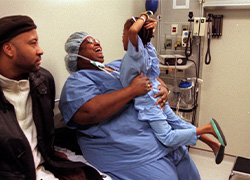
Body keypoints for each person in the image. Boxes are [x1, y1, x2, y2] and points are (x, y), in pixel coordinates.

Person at [59, 26, 200, 180]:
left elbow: (150, 75)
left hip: (159, 139)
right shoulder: (77, 81)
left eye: (97, 41)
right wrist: (132, 91)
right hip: (126, 153)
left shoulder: (117, 66)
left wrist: (164, 88)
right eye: (91, 43)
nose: (97, 44)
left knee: (191, 174)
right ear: (76, 55)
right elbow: (88, 112)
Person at [0, 15, 102, 180]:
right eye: (33, 43)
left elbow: (44, 140)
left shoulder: (43, 82)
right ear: (9, 49)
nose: (40, 50)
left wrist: (58, 164)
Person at [119, 12, 227, 166]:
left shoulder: (135, 53)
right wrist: (152, 25)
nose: (123, 38)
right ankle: (213, 144)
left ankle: (207, 128)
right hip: (155, 93)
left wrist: (144, 16)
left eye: (123, 34)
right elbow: (142, 36)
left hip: (149, 101)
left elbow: (133, 32)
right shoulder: (147, 47)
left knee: (167, 137)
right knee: (177, 122)